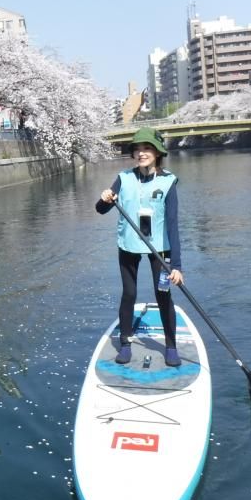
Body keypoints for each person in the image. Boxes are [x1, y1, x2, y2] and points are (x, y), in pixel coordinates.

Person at [96, 127, 185, 367]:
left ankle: (171, 346)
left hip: (160, 248)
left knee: (163, 295)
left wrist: (176, 265)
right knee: (129, 293)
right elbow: (101, 209)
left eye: (147, 148)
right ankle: (125, 343)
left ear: (157, 153)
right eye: (138, 149)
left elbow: (173, 224)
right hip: (128, 245)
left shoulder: (168, 182)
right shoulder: (124, 178)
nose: (142, 153)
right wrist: (104, 198)